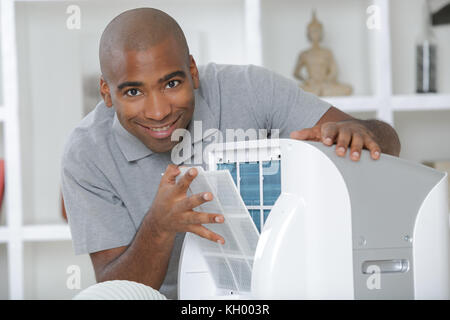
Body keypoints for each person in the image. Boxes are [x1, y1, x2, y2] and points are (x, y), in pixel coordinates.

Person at [61, 8, 401, 300]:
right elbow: (115, 291)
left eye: (171, 84)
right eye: (133, 91)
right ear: (106, 92)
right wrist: (159, 226)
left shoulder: (252, 89)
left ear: (192, 72)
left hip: (280, 290)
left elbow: (388, 144)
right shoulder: (85, 154)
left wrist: (363, 134)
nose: (158, 111)